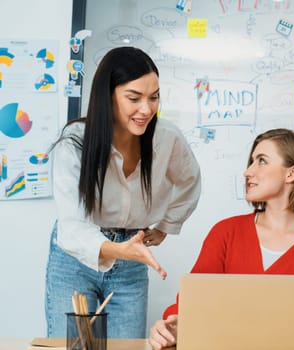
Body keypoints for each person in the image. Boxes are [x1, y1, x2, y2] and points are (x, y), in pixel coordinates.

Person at [148, 128, 294, 350]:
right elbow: (192, 305)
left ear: (291, 173)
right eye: (251, 162)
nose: (248, 172)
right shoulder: (226, 233)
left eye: (261, 161)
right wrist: (173, 325)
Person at [45, 46, 201, 338]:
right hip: (74, 261)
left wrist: (167, 226)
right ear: (108, 96)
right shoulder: (75, 142)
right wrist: (119, 249)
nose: (146, 109)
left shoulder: (167, 138)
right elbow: (72, 227)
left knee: (126, 346)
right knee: (76, 345)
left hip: (131, 262)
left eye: (154, 97)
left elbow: (190, 181)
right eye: (134, 98)